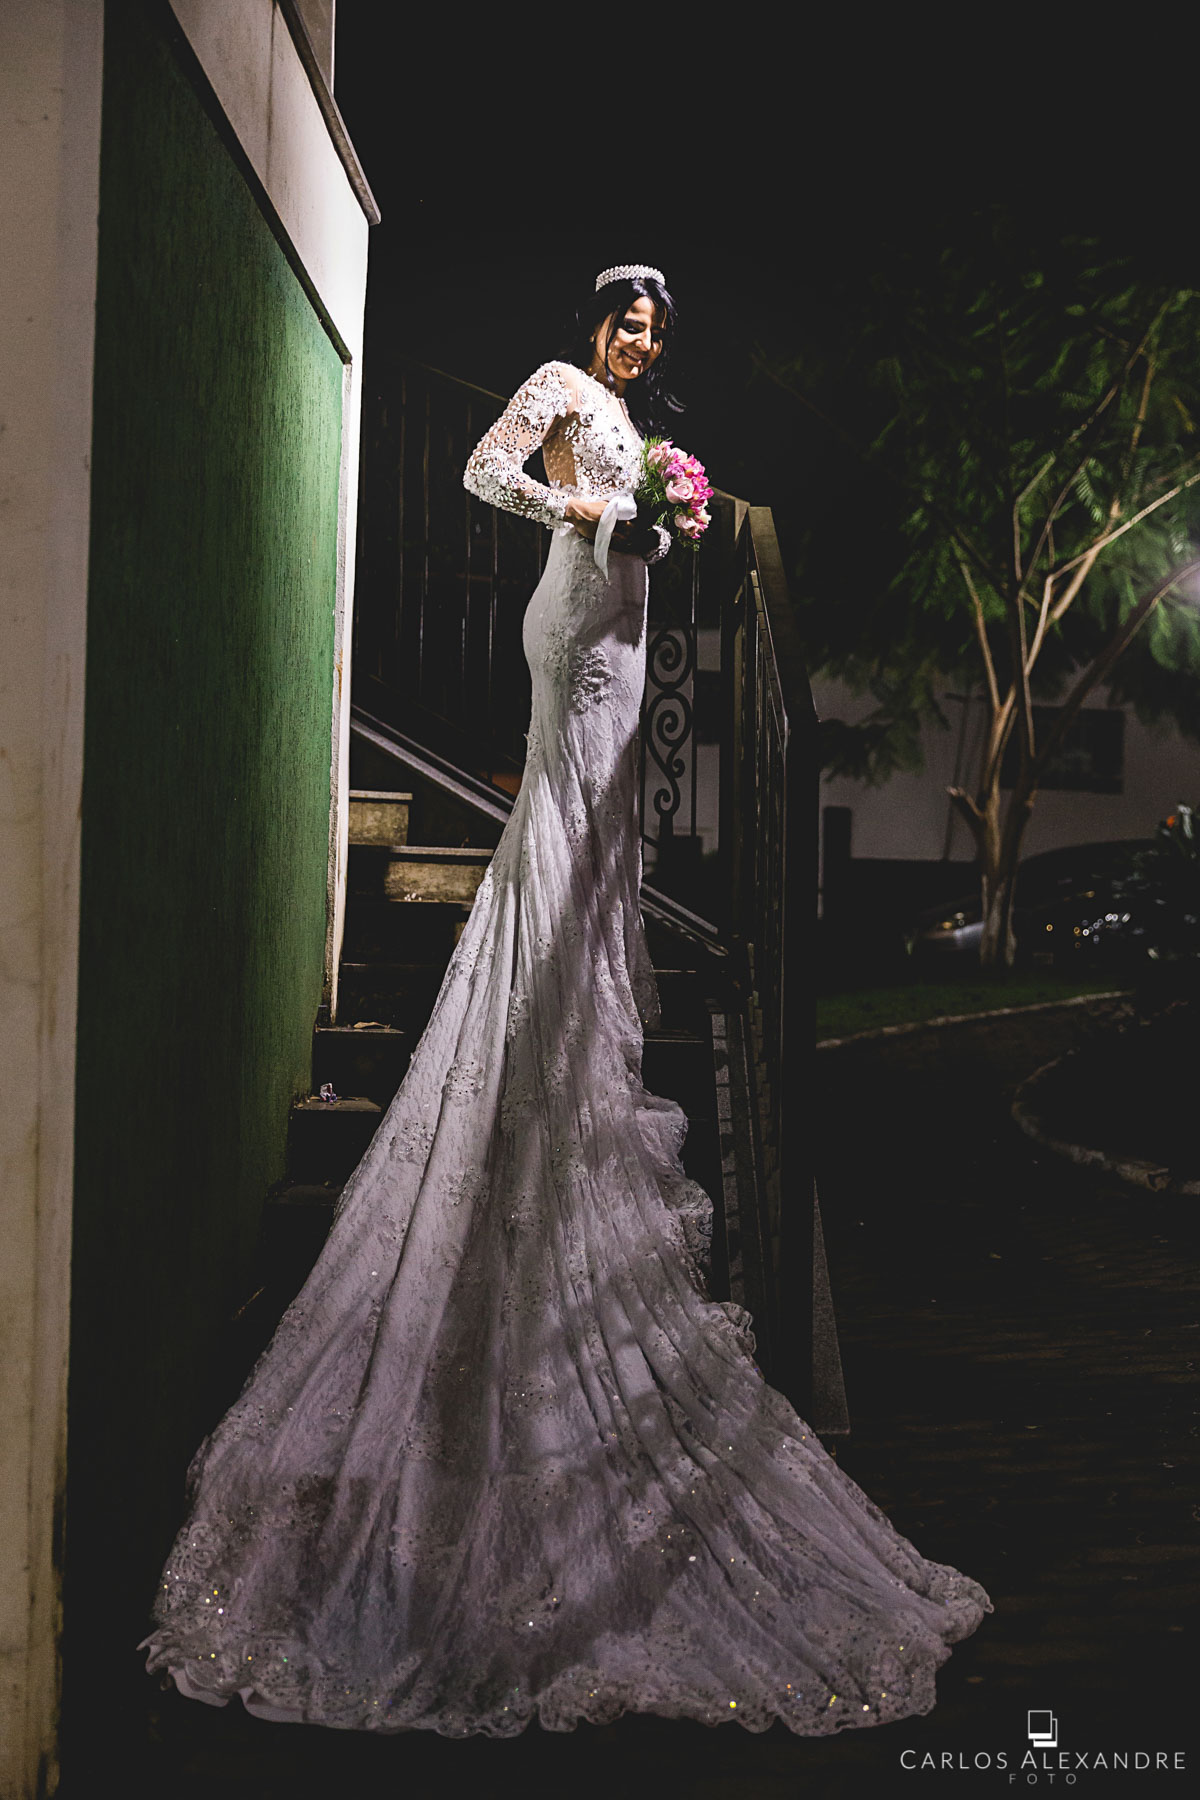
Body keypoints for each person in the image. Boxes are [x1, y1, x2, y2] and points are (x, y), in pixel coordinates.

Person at [141, 263, 991, 1737]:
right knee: (567, 826)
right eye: (623, 320)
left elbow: (665, 513)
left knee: (608, 849)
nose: (635, 340)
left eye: (653, 327)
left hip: (632, 628)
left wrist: (672, 508)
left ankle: (580, 983)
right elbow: (485, 473)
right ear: (591, 322)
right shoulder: (555, 395)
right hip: (574, 631)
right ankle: (542, 1012)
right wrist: (593, 510)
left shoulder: (647, 421)